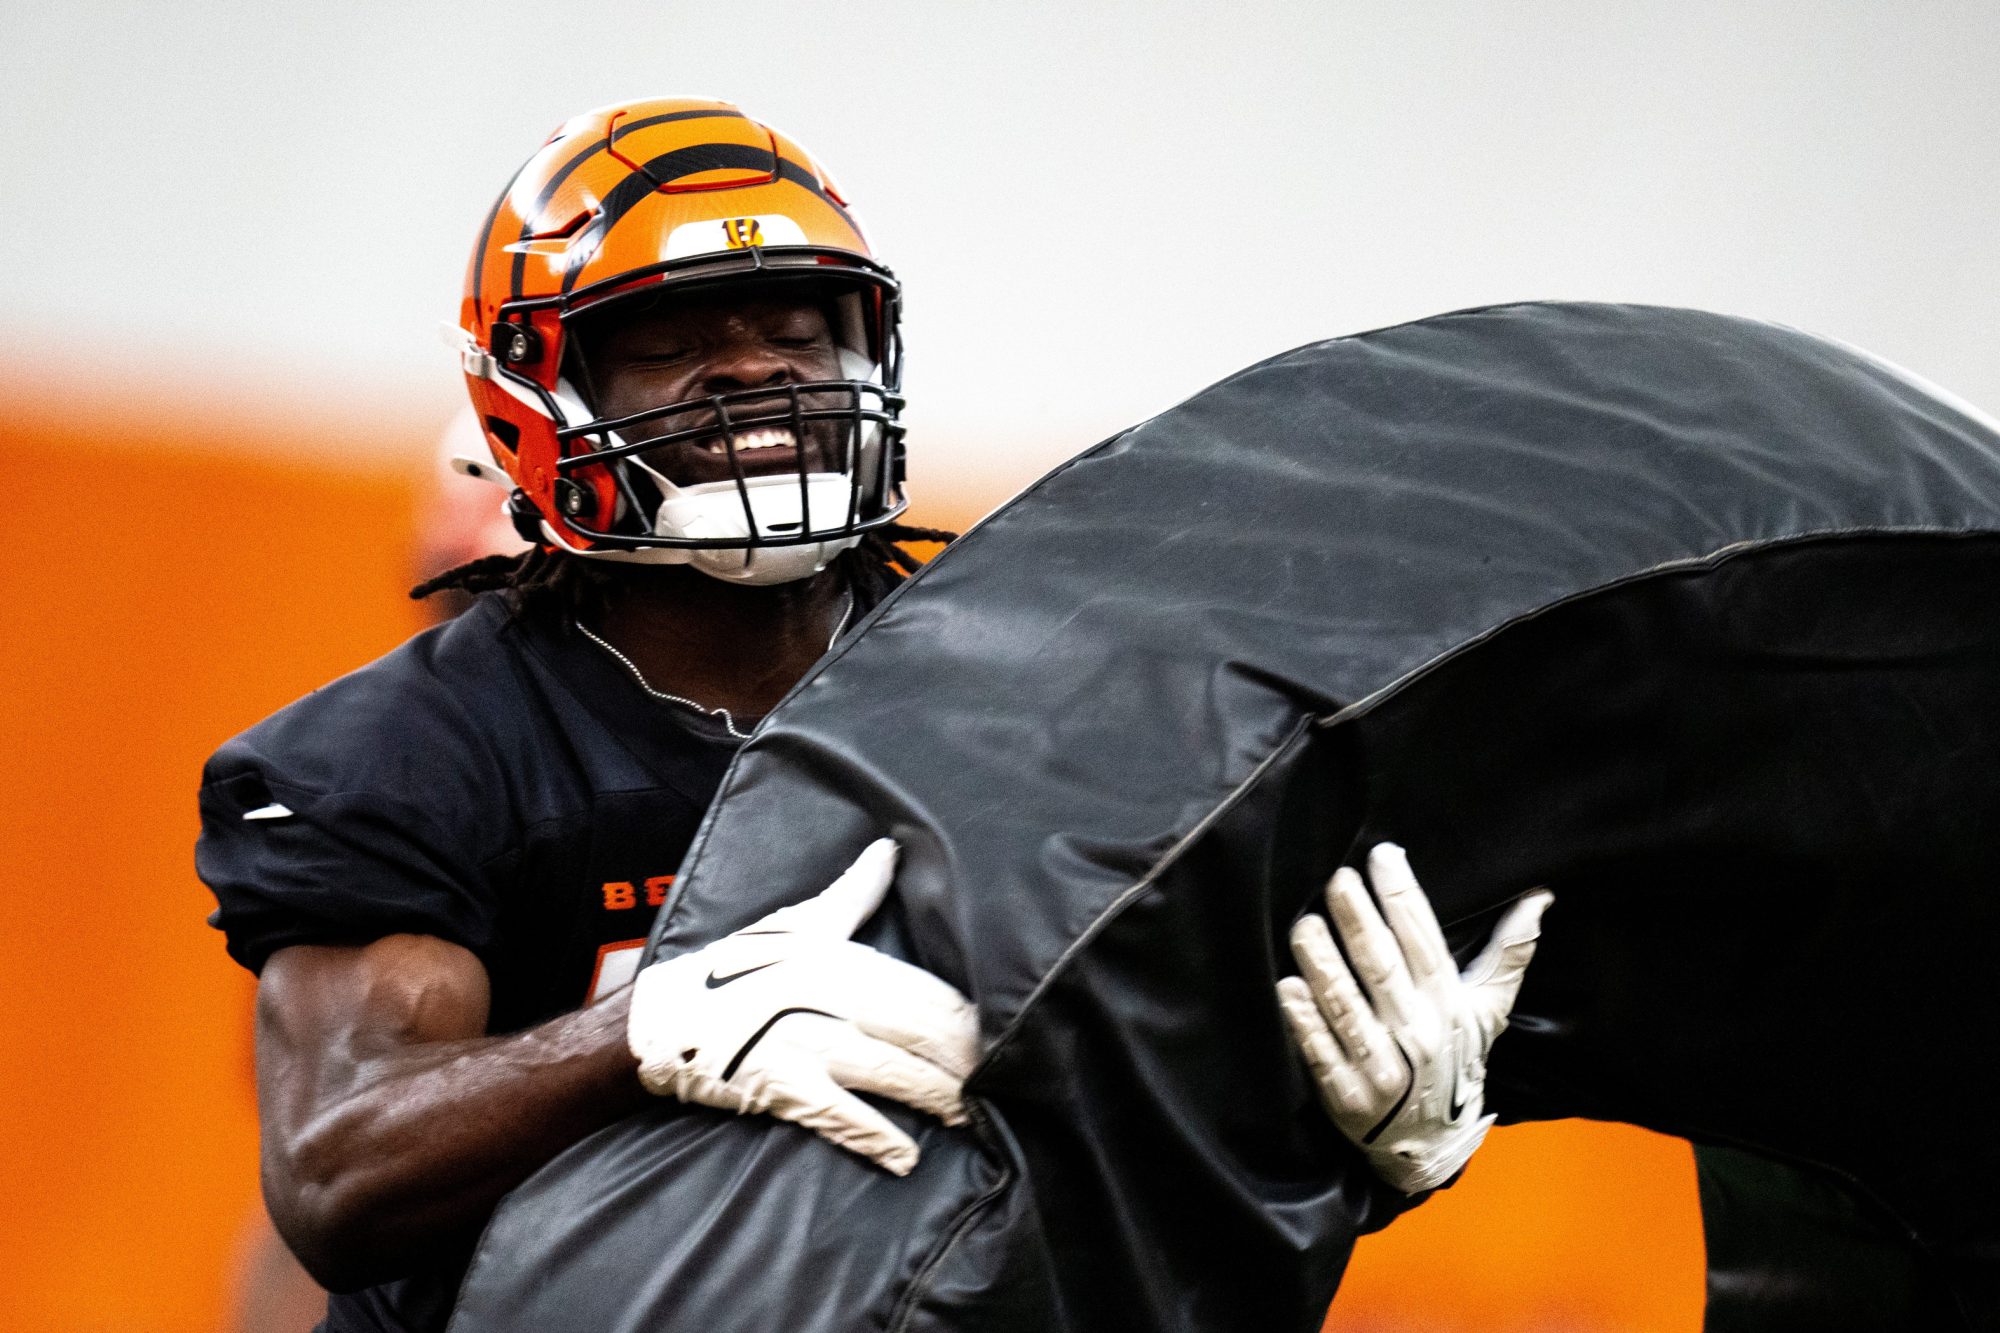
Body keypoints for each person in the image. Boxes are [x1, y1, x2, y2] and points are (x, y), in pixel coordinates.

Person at [197, 96, 1546, 1333]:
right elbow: (334, 1175)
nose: (754, 376)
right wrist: (652, 1030)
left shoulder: (1040, 676)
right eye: (668, 342)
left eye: (798, 330)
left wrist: (1342, 1141)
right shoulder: (412, 752)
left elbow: (1116, 1111)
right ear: (533, 393)